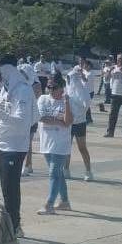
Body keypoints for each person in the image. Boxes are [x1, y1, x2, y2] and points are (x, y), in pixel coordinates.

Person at [0, 54, 32, 237]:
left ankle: (14, 227)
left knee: (10, 188)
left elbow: (22, 122)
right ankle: (13, 225)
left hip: (14, 147)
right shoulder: (7, 88)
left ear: (7, 69)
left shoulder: (22, 90)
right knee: (6, 187)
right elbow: (2, 109)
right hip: (3, 144)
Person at [36, 72, 74, 214]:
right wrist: (59, 121)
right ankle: (65, 201)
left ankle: (49, 204)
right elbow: (41, 117)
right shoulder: (43, 99)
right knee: (58, 174)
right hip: (46, 142)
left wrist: (67, 103)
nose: (50, 90)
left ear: (62, 87)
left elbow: (68, 122)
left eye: (54, 87)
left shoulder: (68, 101)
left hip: (61, 143)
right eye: (49, 87)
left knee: (53, 173)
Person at [65, 59, 95, 181]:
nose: (68, 81)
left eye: (70, 79)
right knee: (66, 147)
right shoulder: (67, 91)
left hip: (79, 122)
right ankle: (66, 169)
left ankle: (88, 171)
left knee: (82, 147)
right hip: (68, 123)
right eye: (68, 79)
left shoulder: (83, 91)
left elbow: (86, 106)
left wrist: (76, 114)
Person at [17, 57, 40, 176]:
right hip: (21, 116)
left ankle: (26, 166)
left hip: (31, 117)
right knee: (24, 141)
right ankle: (29, 165)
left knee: (28, 142)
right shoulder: (19, 85)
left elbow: (35, 99)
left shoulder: (36, 85)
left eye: (23, 73)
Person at [103, 53, 122, 137]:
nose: (119, 61)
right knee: (113, 114)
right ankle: (110, 132)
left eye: (121, 59)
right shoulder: (113, 68)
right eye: (118, 59)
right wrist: (110, 71)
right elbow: (106, 78)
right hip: (115, 94)